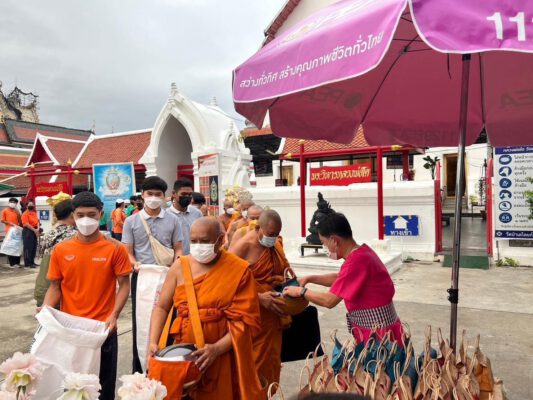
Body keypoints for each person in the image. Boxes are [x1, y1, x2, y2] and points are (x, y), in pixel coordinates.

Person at [148, 217, 263, 399]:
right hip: (182, 354)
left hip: (221, 355)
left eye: (205, 241)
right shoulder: (180, 266)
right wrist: (153, 342)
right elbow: (162, 307)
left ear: (220, 240)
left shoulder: (238, 269)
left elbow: (245, 322)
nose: (199, 246)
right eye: (194, 241)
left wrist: (216, 349)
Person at [42, 191, 132, 400]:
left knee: (103, 386)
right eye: (80, 215)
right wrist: (45, 312)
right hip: (70, 329)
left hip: (102, 329)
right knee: (71, 385)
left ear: (101, 214)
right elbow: (55, 287)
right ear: (72, 216)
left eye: (91, 215)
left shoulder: (115, 249)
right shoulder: (61, 250)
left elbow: (124, 285)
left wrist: (114, 315)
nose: (85, 220)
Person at [283, 213, 404, 344]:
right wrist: (309, 278)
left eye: (324, 243)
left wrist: (301, 292)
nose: (324, 248)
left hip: (378, 336)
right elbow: (341, 279)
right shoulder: (362, 253)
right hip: (384, 328)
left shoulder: (356, 262)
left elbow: (329, 301)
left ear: (334, 240)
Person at [122, 176, 184, 373]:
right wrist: (135, 264)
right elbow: (127, 252)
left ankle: (165, 364)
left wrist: (176, 266)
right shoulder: (131, 221)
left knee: (168, 319)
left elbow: (178, 248)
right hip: (142, 277)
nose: (154, 198)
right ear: (142, 195)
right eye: (150, 194)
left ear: (164, 197)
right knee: (140, 322)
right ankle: (140, 370)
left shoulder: (173, 220)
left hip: (167, 276)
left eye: (158, 194)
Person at [229, 209, 289, 389]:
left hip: (272, 314)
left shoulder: (275, 244)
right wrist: (259, 297)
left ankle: (267, 393)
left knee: (272, 360)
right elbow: (227, 280)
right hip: (252, 313)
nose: (274, 238)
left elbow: (284, 269)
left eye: (277, 234)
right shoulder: (244, 245)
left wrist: (283, 282)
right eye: (271, 234)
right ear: (258, 228)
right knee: (252, 362)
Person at [34, 199, 76, 306]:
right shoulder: (75, 236)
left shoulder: (49, 233)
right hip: (60, 294)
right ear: (72, 215)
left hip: (42, 288)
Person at [167, 179, 202, 255]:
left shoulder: (197, 213)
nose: (187, 197)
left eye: (189, 194)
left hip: (195, 257)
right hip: (175, 258)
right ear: (174, 193)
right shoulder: (166, 215)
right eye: (183, 194)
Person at [1, 198, 22, 268]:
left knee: (17, 247)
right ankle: (12, 264)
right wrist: (9, 223)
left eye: (14, 202)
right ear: (9, 202)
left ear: (16, 204)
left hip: (17, 232)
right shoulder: (5, 211)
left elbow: (20, 221)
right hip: (9, 232)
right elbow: (2, 220)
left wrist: (18, 214)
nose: (13, 203)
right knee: (10, 247)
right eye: (11, 202)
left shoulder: (16, 211)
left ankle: (17, 263)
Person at [21, 199, 40, 268]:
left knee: (34, 247)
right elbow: (26, 224)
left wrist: (37, 229)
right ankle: (27, 263)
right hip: (27, 231)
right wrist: (34, 230)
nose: (31, 205)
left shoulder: (34, 213)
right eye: (30, 204)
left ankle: (32, 262)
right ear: (26, 206)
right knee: (28, 248)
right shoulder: (25, 214)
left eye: (32, 204)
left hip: (34, 230)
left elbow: (37, 221)